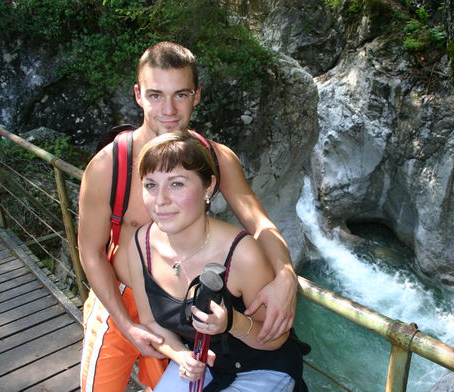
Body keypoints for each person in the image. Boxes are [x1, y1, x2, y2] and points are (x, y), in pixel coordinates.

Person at [78, 41, 298, 392]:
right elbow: (90, 250)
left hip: (178, 305)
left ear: (196, 95)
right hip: (121, 298)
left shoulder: (215, 158)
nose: (168, 109)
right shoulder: (109, 166)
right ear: (138, 95)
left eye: (180, 95)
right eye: (155, 95)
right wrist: (125, 321)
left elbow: (259, 223)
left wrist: (287, 277)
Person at [128, 131, 307, 392]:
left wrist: (232, 322)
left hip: (261, 365)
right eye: (151, 185)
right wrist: (179, 354)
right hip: (200, 363)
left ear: (208, 187)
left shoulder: (242, 253)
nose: (161, 200)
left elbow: (276, 337)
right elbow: (151, 322)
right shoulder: (141, 245)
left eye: (176, 184)